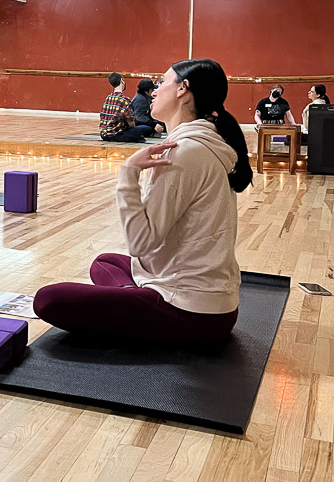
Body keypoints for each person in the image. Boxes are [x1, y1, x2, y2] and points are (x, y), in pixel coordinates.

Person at [34, 58, 252, 344]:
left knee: (48, 300)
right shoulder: (200, 144)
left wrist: (128, 173)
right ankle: (133, 297)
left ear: (182, 89)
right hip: (213, 305)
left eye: (162, 82)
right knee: (106, 262)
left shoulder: (184, 152)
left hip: (192, 313)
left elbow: (141, 243)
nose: (156, 89)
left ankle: (139, 301)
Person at [100, 73, 154, 142]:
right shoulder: (124, 99)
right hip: (117, 134)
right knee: (146, 128)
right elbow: (131, 122)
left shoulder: (108, 98)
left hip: (104, 134)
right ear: (122, 81)